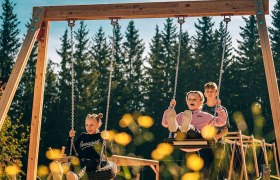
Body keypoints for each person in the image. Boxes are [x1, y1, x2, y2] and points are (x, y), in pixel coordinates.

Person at [162, 90, 227, 136]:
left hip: (197, 138)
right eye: (189, 99)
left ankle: (187, 126)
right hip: (181, 139)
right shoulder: (182, 115)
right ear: (187, 102)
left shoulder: (205, 116)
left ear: (201, 101)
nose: (191, 101)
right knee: (178, 128)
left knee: (190, 129)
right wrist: (170, 108)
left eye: (194, 99)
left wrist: (219, 107)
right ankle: (177, 127)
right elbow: (165, 123)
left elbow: (221, 122)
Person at [66, 113, 105, 180]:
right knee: (74, 160)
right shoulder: (83, 136)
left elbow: (110, 153)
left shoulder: (101, 136)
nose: (88, 127)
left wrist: (107, 139)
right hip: (80, 161)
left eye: (91, 125)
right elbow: (71, 151)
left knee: (84, 162)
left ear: (98, 125)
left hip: (94, 162)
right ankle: (69, 175)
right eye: (86, 125)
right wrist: (70, 138)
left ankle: (76, 177)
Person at [203, 82, 230, 179]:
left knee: (217, 169)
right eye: (207, 91)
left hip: (218, 143)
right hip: (204, 143)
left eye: (212, 91)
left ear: (216, 93)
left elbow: (225, 130)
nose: (210, 93)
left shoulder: (222, 109)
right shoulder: (201, 108)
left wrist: (216, 137)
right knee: (205, 169)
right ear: (204, 94)